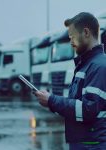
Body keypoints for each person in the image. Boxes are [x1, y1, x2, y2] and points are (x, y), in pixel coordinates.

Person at [33, 12, 106, 150]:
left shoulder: (99, 66)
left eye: (72, 37)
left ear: (85, 32)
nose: (71, 42)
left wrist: (52, 100)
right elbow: (75, 105)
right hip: (85, 142)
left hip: (92, 145)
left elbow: (87, 110)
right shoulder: (86, 64)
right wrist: (50, 102)